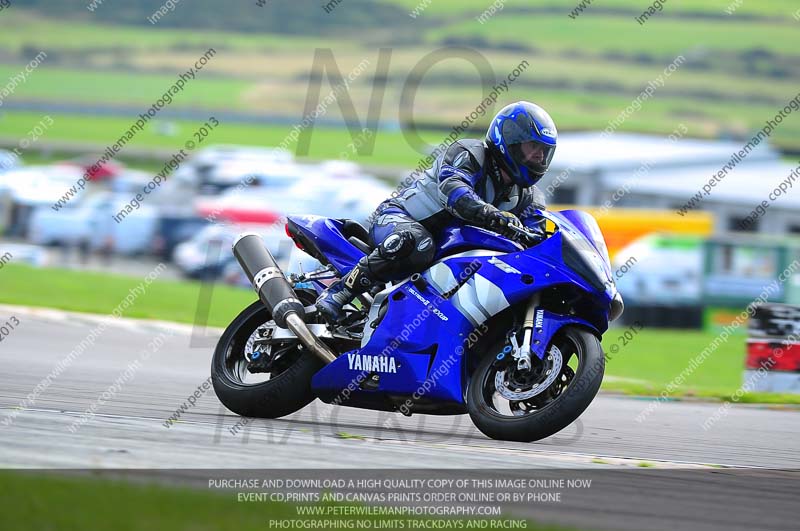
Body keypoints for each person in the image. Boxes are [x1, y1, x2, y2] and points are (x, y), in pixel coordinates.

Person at [316, 101, 558, 322]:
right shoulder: (471, 153)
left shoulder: (530, 198)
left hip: (449, 249)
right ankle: (341, 291)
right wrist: (491, 214)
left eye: (543, 152)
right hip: (399, 218)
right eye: (533, 147)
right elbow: (455, 191)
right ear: (510, 141)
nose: (538, 157)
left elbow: (537, 233)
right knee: (418, 243)